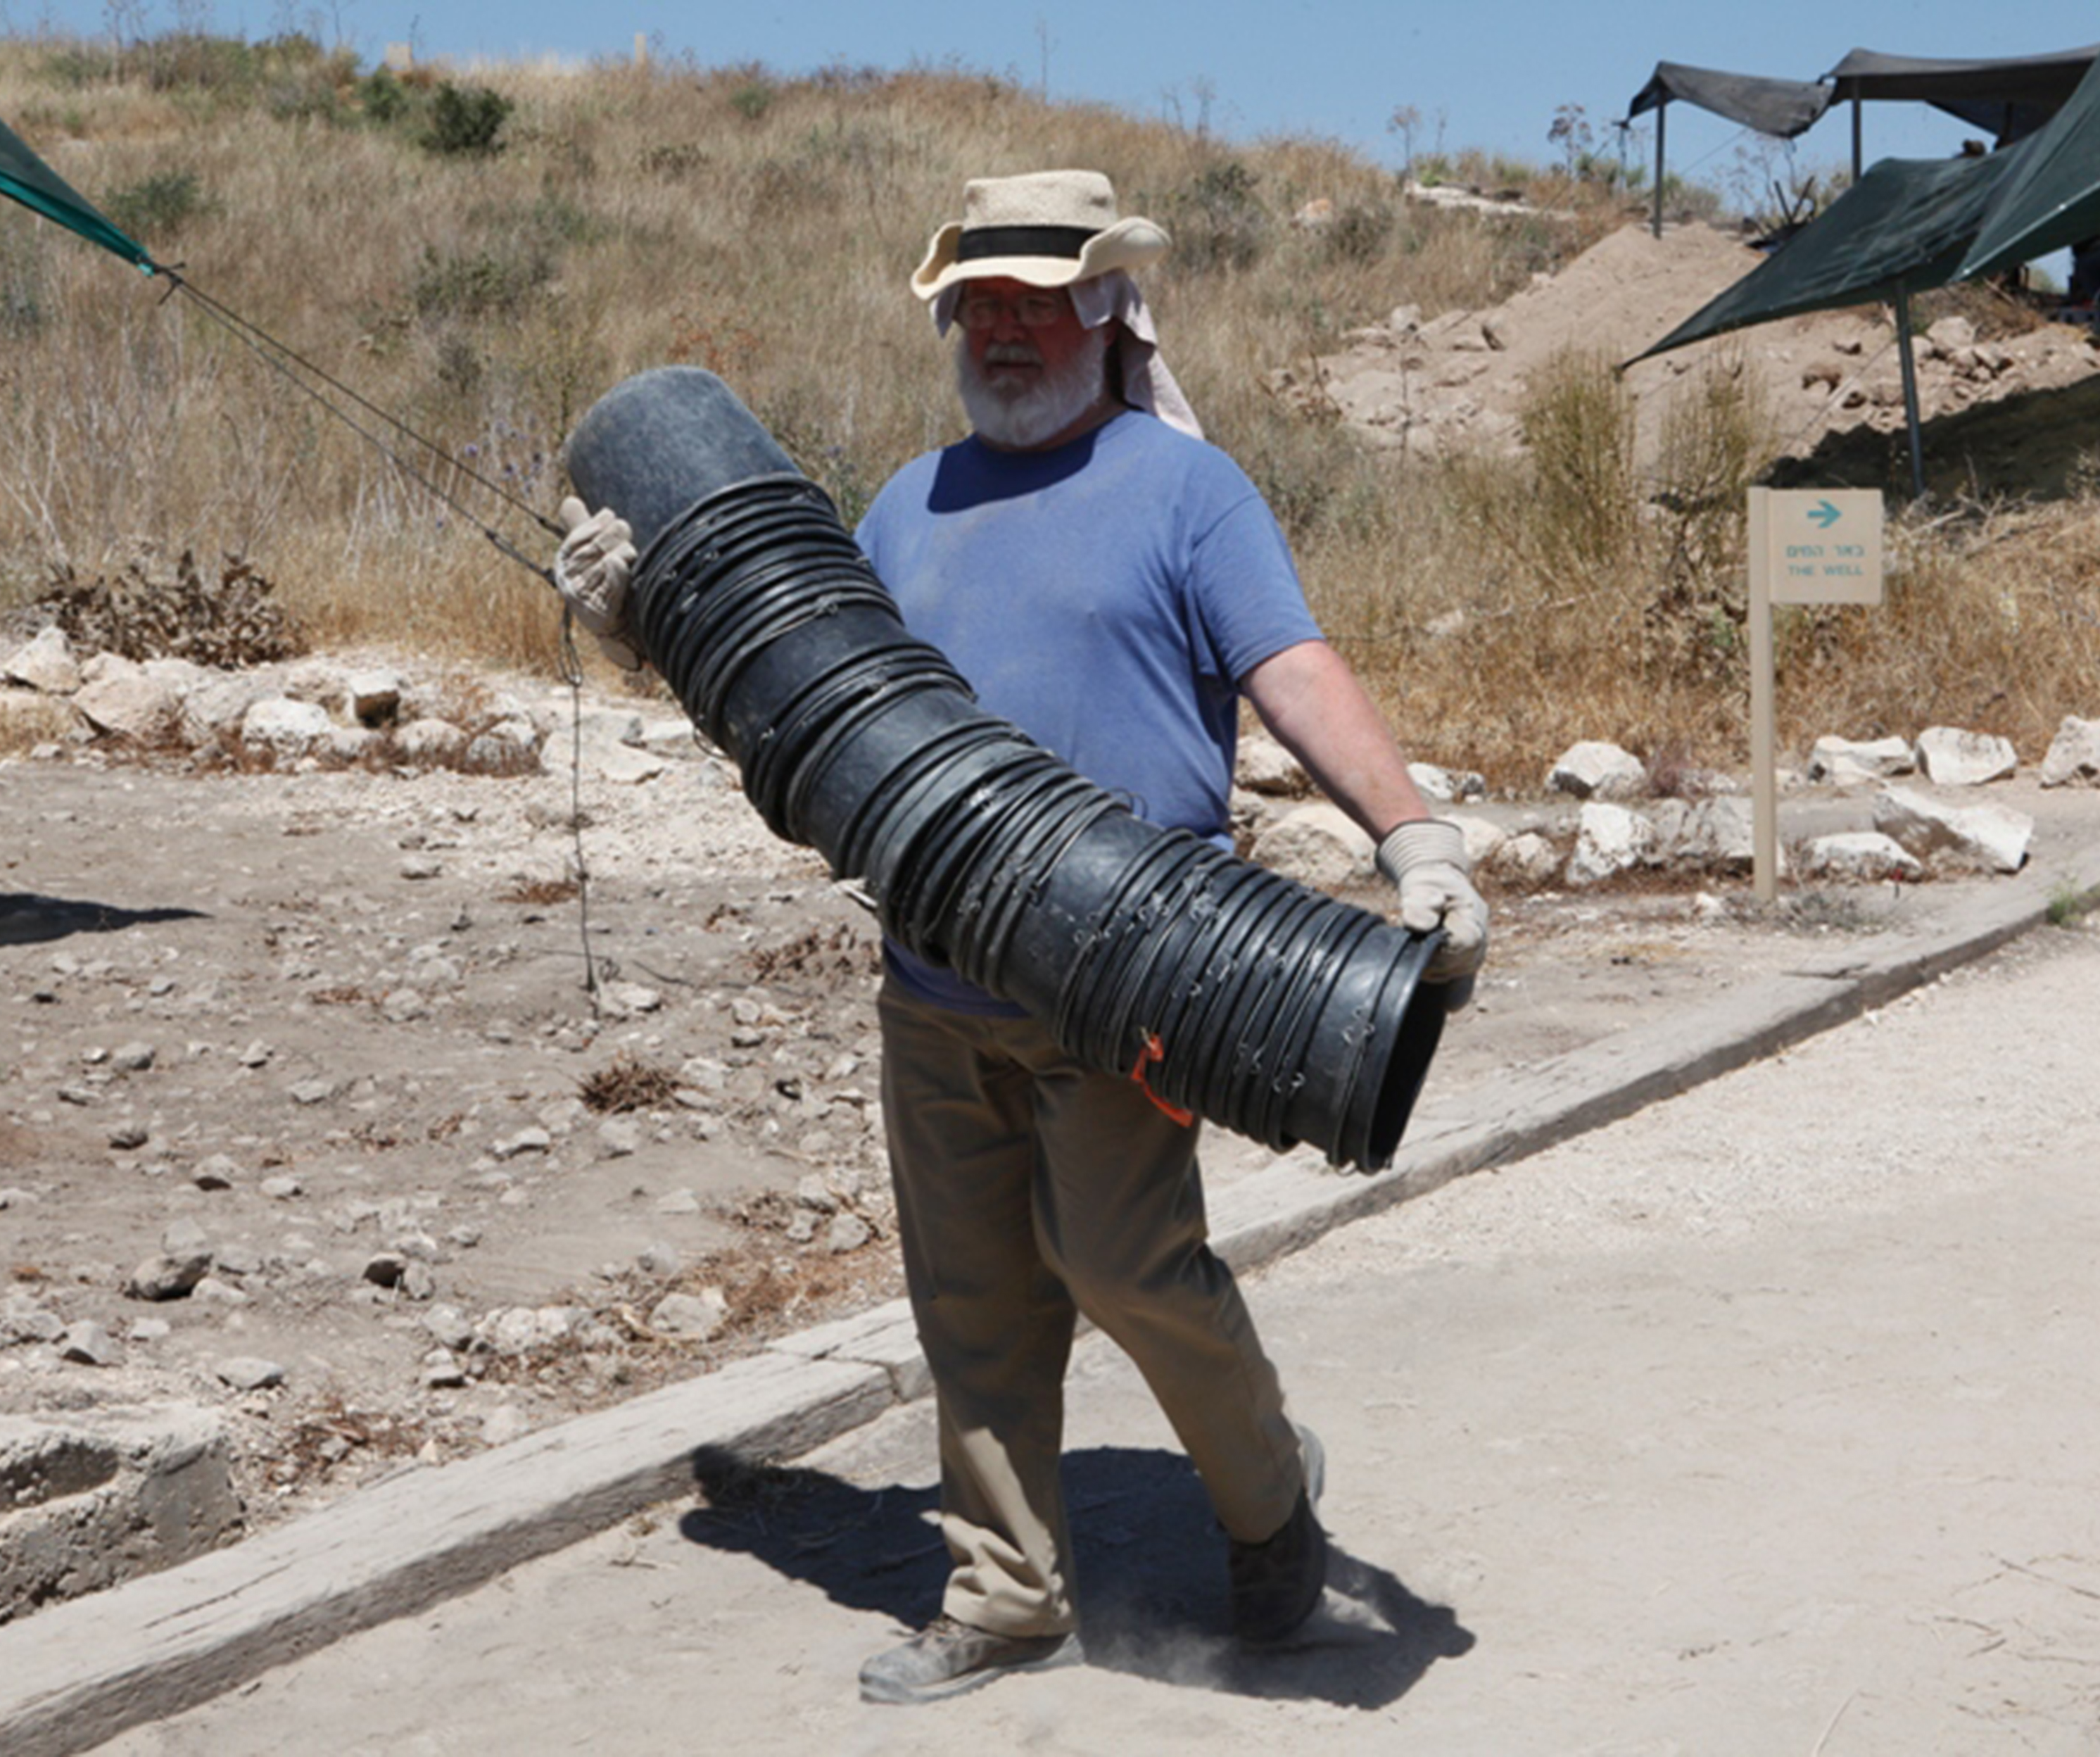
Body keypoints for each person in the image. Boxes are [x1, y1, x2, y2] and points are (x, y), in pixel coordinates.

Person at [549, 168, 1489, 1705]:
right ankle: (1005, 1597)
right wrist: (646, 629)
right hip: (931, 985)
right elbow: (803, 713)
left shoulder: (1186, 490)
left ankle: (1268, 1514)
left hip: (1136, 985)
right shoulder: (902, 508)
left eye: (1033, 300)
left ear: (1103, 309)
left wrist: (1415, 833)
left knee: (1128, 1269)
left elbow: (1293, 668)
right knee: (972, 1304)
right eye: (974, 303)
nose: (999, 330)